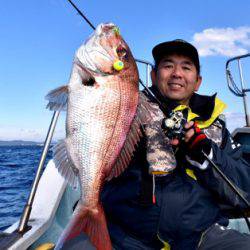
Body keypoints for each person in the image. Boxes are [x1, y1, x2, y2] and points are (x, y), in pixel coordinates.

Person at [101, 39, 250, 250]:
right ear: (153, 76)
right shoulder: (125, 111)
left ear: (197, 81)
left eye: (186, 67)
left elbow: (245, 191)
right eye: (168, 65)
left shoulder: (216, 128)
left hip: (201, 237)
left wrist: (206, 153)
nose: (177, 73)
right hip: (126, 237)